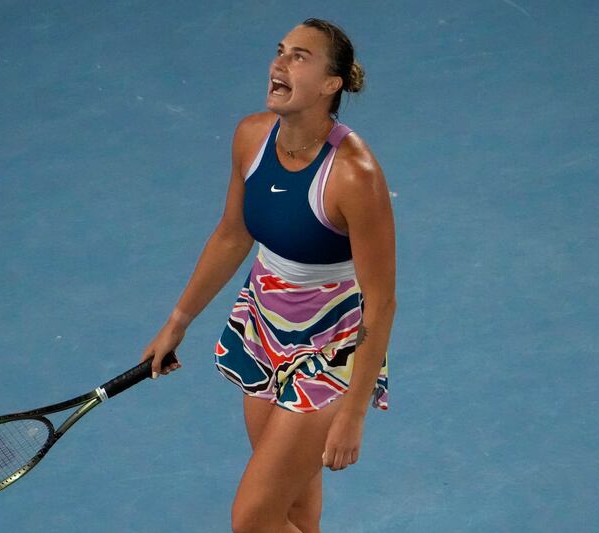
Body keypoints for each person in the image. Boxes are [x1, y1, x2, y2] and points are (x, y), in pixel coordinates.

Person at [140, 18, 396, 533]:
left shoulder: (353, 175)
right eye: (280, 52)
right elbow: (233, 234)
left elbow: (381, 300)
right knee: (294, 512)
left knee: (253, 520)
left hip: (332, 348)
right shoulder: (250, 137)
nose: (279, 63)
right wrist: (178, 320)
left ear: (332, 84)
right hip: (263, 329)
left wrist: (353, 414)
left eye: (299, 56)